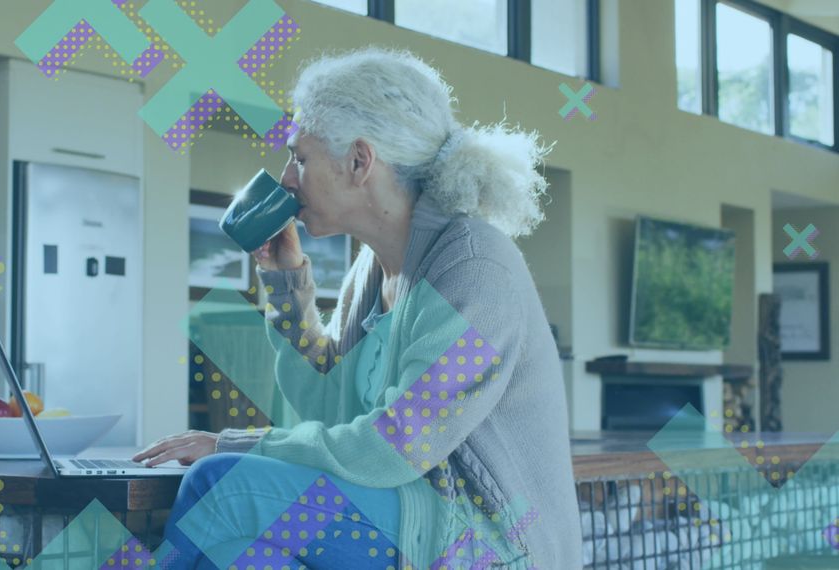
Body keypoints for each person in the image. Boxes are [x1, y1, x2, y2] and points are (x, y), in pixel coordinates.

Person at [134, 47, 582, 569]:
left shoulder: (477, 270)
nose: (287, 178)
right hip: (401, 518)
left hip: (483, 545)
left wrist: (232, 443)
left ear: (359, 161)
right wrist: (285, 287)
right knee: (243, 555)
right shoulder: (371, 270)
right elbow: (326, 408)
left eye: (300, 158)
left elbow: (395, 445)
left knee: (224, 485)